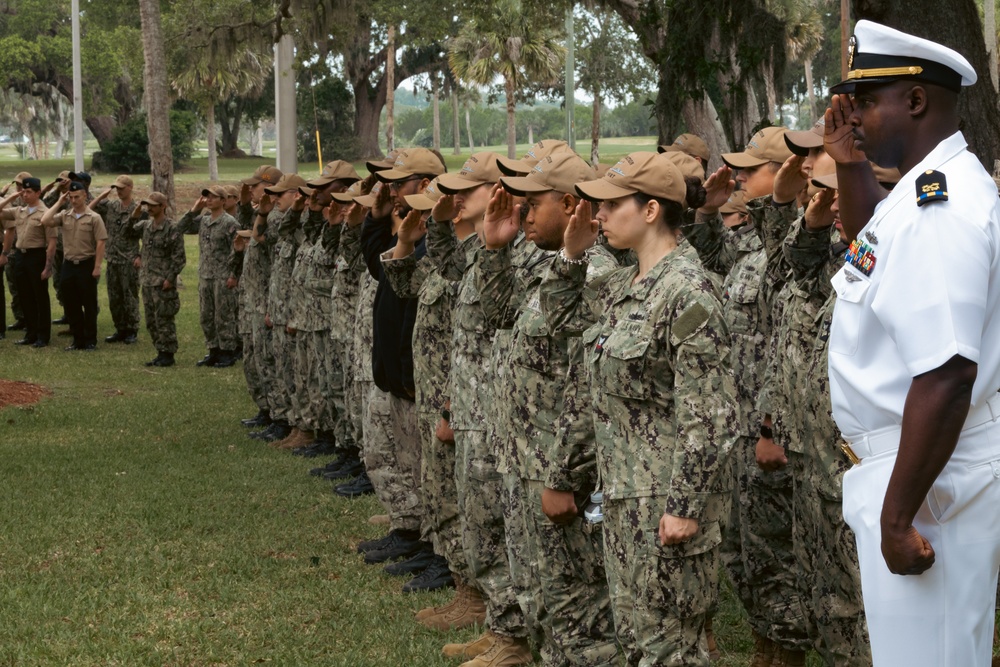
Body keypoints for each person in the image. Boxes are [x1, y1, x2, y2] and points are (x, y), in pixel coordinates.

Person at [825, 19, 1000, 666]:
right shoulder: (922, 192)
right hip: (916, 466)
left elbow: (947, 371)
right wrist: (849, 163)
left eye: (869, 101)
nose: (858, 117)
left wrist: (898, 518)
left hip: (928, 477)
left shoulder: (941, 208)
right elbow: (873, 242)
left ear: (917, 101)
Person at [542, 151, 739, 665]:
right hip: (627, 504)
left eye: (611, 205)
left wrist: (684, 506)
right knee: (637, 645)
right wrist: (572, 254)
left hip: (665, 509)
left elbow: (712, 415)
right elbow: (559, 316)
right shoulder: (627, 286)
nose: (599, 215)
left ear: (651, 210)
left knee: (669, 649)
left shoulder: (686, 292)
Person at [178, 185, 240, 367]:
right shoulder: (204, 221)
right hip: (206, 275)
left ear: (223, 200)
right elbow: (180, 227)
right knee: (206, 315)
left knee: (224, 315)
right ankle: (213, 350)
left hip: (223, 275)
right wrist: (194, 210)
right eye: (206, 197)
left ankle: (227, 351)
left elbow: (236, 251)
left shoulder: (230, 223)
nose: (209, 200)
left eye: (213, 197)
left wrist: (233, 274)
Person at [40, 182, 107, 351]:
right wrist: (59, 202)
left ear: (85, 196)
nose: (74, 200)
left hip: (86, 264)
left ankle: (90, 340)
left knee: (89, 304)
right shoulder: (65, 215)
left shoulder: (94, 217)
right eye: (71, 197)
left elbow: (101, 243)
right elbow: (45, 220)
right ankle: (78, 340)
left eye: (77, 196)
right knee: (71, 304)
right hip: (68, 265)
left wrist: (97, 266)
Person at [131, 192, 186, 367]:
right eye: (148, 205)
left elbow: (179, 258)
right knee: (151, 320)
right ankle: (160, 351)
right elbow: (128, 229)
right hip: (147, 281)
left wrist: (170, 278)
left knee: (164, 319)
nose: (149, 208)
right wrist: (137, 211)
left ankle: (168, 354)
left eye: (153, 205)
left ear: (163, 206)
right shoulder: (146, 226)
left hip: (162, 282)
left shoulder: (172, 228)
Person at [0, 177, 55, 347]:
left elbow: (52, 241)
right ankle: (30, 333)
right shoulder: (20, 211)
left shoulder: (45, 213)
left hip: (36, 256)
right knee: (25, 296)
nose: (25, 195)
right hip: (21, 257)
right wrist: (12, 196)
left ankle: (42, 335)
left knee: (39, 297)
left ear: (38, 192)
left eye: (29, 192)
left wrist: (48, 265)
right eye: (23, 191)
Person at [92, 175, 141, 345]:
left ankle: (132, 329)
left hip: (129, 259)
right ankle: (120, 328)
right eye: (116, 188)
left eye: (121, 188)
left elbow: (147, 234)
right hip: (112, 258)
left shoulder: (139, 209)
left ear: (130, 188)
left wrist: (140, 256)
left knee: (130, 296)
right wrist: (103, 194)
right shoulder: (111, 206)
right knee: (114, 297)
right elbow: (90, 208)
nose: (118, 191)